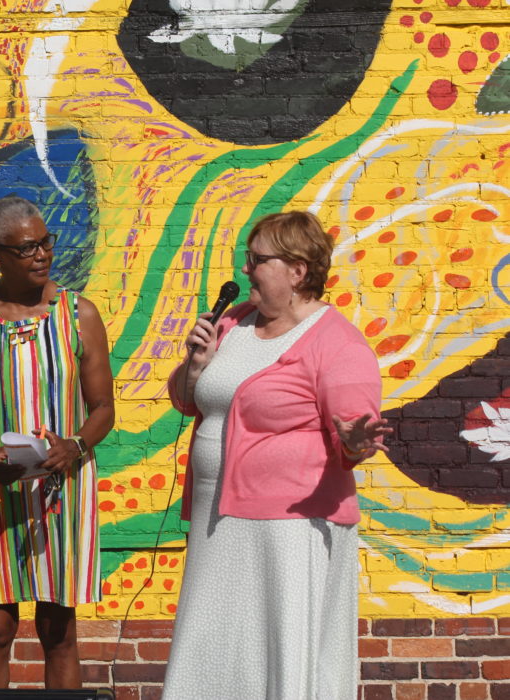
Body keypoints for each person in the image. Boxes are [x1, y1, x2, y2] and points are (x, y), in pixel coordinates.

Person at [163, 210, 392, 699]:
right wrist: (196, 364)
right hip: (215, 514)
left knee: (274, 643)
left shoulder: (337, 343)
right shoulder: (235, 321)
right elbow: (186, 400)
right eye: (247, 259)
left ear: (297, 271)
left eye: (257, 260)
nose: (245, 270)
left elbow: (354, 434)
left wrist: (354, 441)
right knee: (215, 637)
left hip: (289, 525)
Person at [0, 194, 115, 689]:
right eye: (27, 248)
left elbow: (103, 407)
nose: (42, 255)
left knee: (58, 629)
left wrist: (74, 446)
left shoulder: (79, 314)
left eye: (46, 243)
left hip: (62, 489)